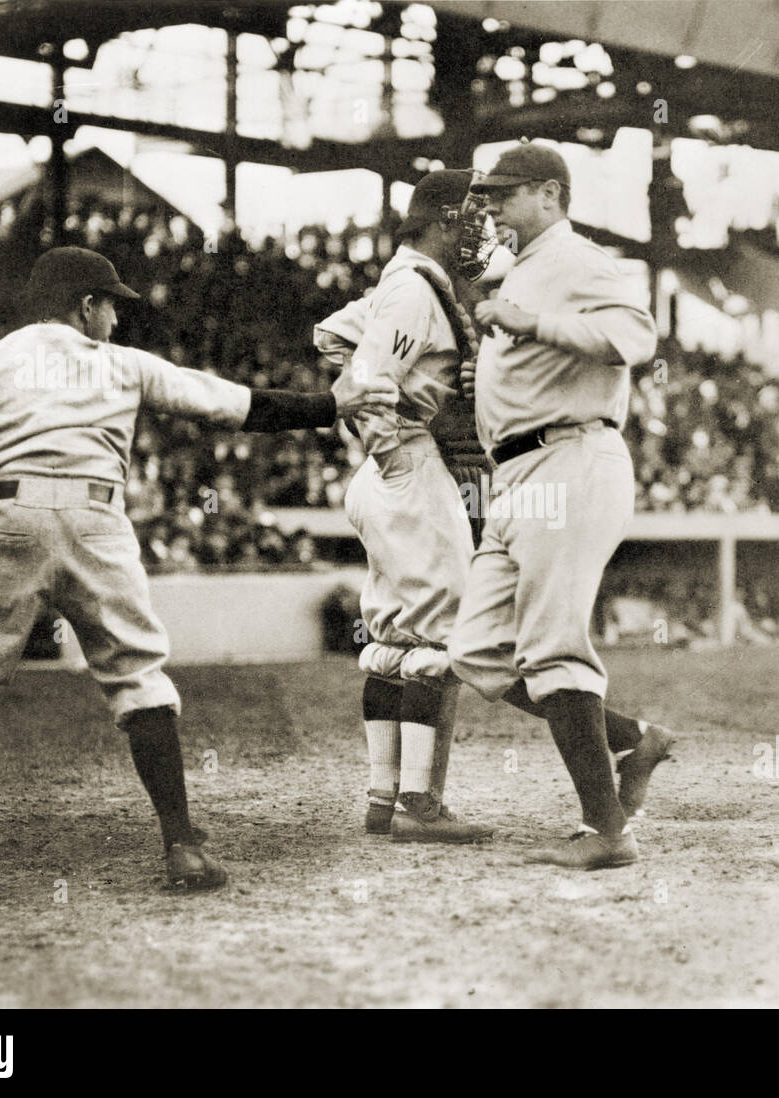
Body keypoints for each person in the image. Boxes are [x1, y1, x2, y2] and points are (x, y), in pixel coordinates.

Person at [0, 246, 396, 891]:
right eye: (111, 305)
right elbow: (237, 406)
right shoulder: (123, 365)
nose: (116, 319)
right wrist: (328, 405)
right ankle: (182, 848)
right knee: (139, 677)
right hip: (96, 520)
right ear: (86, 305)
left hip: (11, 515)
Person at [447, 142, 674, 869]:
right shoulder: (521, 270)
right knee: (478, 653)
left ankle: (605, 829)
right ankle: (632, 736)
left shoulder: (579, 261)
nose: (491, 209)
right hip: (517, 472)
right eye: (486, 198)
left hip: (569, 455)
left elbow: (638, 338)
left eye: (504, 196)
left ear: (550, 194)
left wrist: (533, 324)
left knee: (551, 650)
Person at [313, 170, 496, 843]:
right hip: (407, 467)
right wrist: (392, 442)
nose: (481, 229)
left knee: (391, 640)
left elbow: (330, 336)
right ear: (441, 220)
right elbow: (369, 377)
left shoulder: (405, 284)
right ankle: (421, 803)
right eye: (472, 215)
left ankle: (382, 796)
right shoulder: (417, 292)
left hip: (386, 474)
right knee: (443, 634)